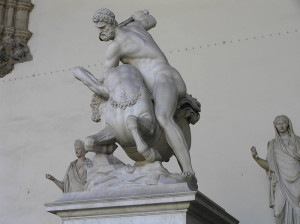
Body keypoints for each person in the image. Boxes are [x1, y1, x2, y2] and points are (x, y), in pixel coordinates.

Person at [92, 8, 195, 178]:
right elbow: (151, 20)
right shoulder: (135, 27)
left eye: (102, 28)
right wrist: (137, 17)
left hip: (162, 79)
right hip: (169, 78)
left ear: (111, 24)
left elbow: (109, 77)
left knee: (163, 118)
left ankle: (188, 170)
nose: (101, 33)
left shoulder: (115, 47)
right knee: (161, 116)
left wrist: (90, 80)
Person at [251, 115, 300, 224]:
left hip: (297, 181)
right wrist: (256, 158)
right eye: (278, 123)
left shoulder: (298, 141)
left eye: (284, 122)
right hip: (280, 181)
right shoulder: (272, 144)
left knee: (298, 213)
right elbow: (269, 166)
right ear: (275, 125)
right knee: (278, 213)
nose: (281, 125)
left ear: (288, 123)